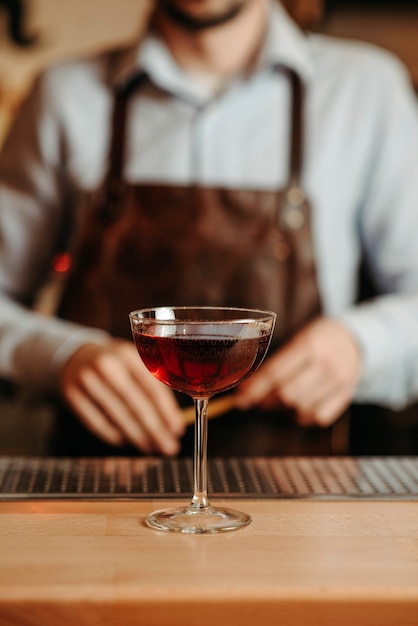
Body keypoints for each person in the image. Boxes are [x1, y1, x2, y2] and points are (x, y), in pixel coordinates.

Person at [0, 0, 418, 457]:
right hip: (94, 497)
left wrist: (358, 346)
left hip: (298, 497)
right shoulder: (63, 94)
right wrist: (61, 359)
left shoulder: (366, 91)